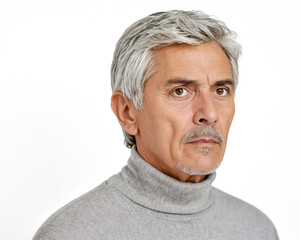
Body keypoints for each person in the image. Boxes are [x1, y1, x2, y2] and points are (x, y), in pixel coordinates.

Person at [33, 10, 279, 239]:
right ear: (127, 112)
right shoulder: (72, 233)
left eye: (221, 90)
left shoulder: (255, 229)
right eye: (181, 91)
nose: (210, 113)